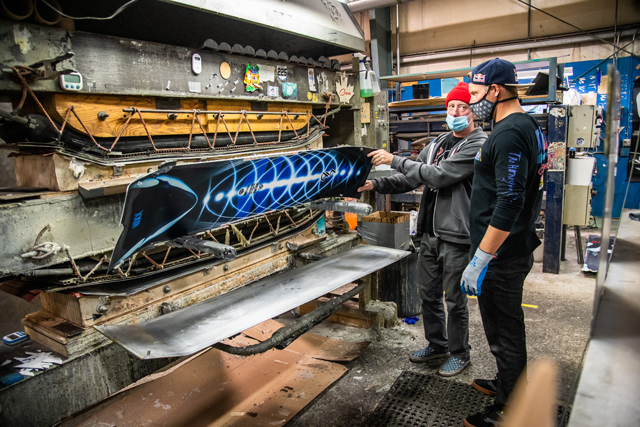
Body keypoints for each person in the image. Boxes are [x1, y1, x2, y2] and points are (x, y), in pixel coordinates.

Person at [358, 82, 487, 377]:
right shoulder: (439, 143)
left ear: (472, 112)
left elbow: (438, 176)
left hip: (456, 235)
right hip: (429, 233)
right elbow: (409, 177)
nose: (455, 111)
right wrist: (375, 183)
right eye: (452, 106)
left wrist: (395, 159)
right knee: (428, 293)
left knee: (454, 299)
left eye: (463, 107)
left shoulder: (478, 144)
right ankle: (437, 344)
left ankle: (459, 353)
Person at [461, 58, 548, 427]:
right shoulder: (527, 125)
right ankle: (507, 382)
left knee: (504, 332)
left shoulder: (510, 132)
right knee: (504, 328)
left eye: (477, 94)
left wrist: (482, 256)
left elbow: (510, 200)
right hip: (512, 248)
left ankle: (509, 407)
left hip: (501, 254)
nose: (473, 101)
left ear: (495, 91)